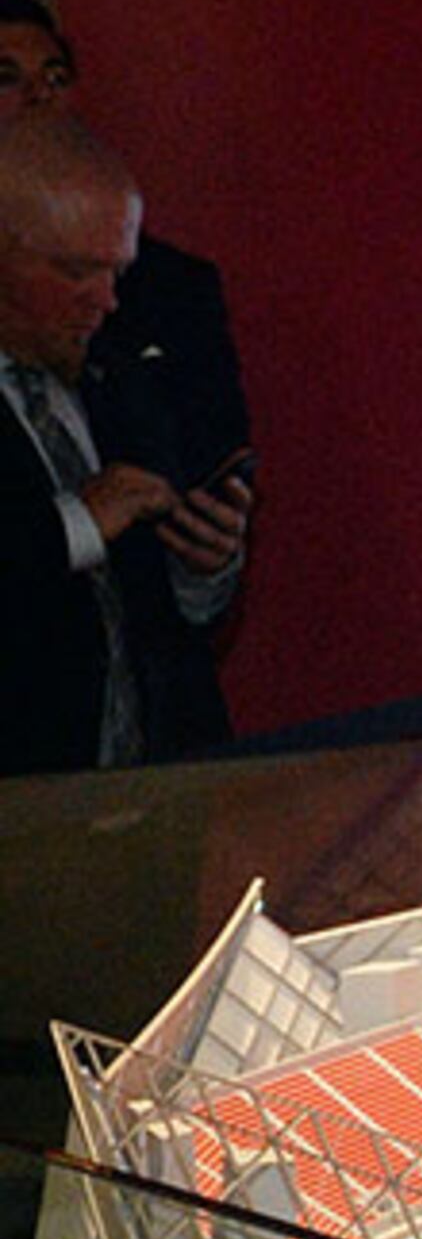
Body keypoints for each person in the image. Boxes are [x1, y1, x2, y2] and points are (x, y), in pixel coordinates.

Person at [0, 113, 247, 773]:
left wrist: (203, 565)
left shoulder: (123, 371)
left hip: (147, 798)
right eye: (77, 271)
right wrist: (77, 523)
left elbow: (169, 625)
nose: (105, 300)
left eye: (118, 271)